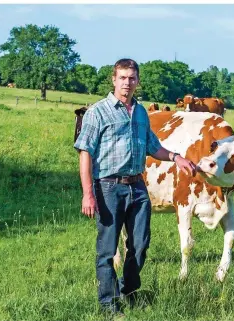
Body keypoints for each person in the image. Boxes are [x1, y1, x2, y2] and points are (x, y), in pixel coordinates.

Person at [74, 58, 196, 315]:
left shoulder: (141, 112)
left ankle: (127, 290)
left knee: (140, 246)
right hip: (108, 187)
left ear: (137, 81)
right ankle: (108, 304)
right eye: (122, 78)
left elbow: (153, 146)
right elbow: (85, 153)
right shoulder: (98, 112)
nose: (127, 83)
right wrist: (88, 193)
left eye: (131, 78)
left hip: (138, 187)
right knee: (107, 249)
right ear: (114, 79)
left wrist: (176, 157)